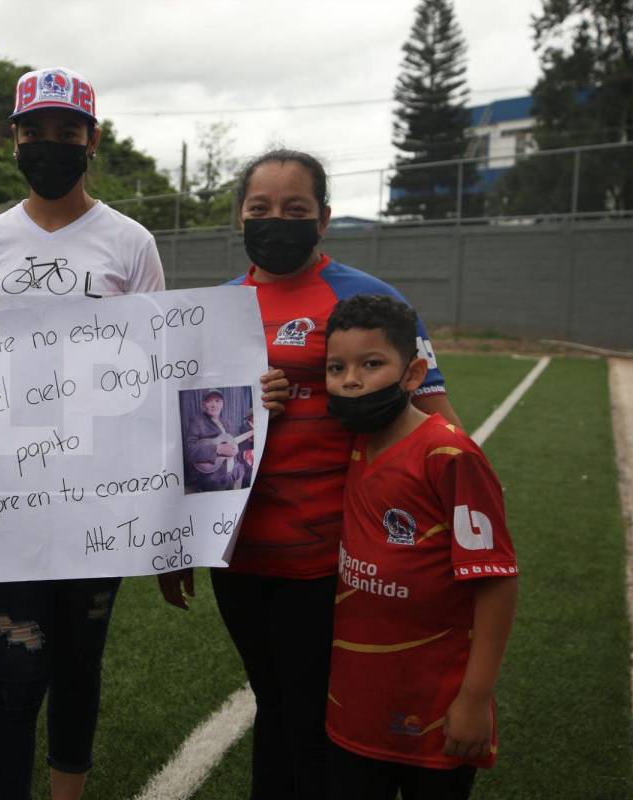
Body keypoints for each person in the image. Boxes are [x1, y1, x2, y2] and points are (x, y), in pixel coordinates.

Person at [157, 149, 462, 799]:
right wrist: (178, 542)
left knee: (309, 714)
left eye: (295, 209)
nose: (276, 220)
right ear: (239, 216)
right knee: (277, 701)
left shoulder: (371, 301)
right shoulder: (211, 311)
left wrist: (457, 529)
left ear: (323, 219)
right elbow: (184, 435)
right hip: (237, 556)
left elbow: (438, 424)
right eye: (260, 208)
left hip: (331, 558)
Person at [0, 66, 165, 800]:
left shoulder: (131, 241)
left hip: (98, 498)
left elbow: (153, 368)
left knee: (81, 663)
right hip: (10, 497)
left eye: (67, 133)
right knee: (16, 673)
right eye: (35, 132)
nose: (51, 145)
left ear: (92, 141)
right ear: (13, 139)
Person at [323, 294, 518, 799]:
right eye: (336, 367)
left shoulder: (449, 454)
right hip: (356, 707)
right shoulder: (356, 442)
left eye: (371, 364)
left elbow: (495, 581)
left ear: (413, 375)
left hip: (435, 706)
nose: (350, 381)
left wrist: (475, 699)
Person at [183, 388, 251, 492]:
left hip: (232, 474)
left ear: (222, 403)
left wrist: (244, 444)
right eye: (209, 401)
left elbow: (232, 445)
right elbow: (189, 451)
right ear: (203, 404)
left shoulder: (226, 422)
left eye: (217, 401)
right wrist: (217, 449)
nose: (214, 405)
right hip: (213, 481)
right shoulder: (197, 422)